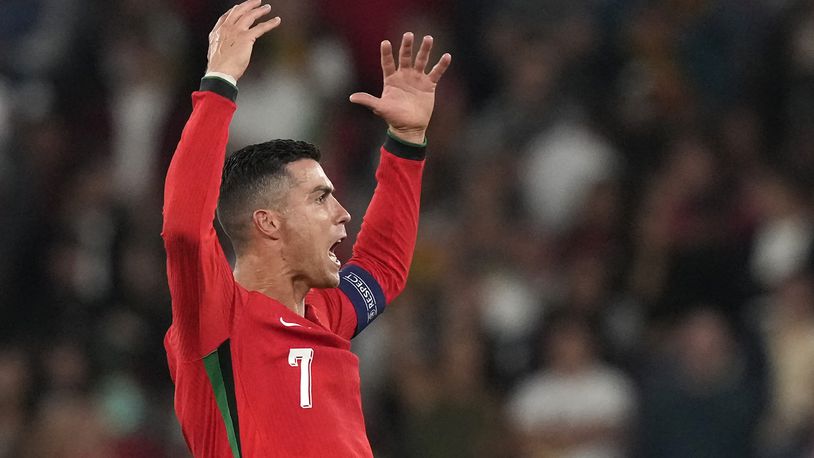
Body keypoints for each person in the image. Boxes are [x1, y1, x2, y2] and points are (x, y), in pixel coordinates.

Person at [161, 1, 451, 456]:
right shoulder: (217, 316)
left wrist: (407, 142)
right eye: (320, 198)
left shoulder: (324, 314)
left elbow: (382, 268)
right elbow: (183, 228)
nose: (342, 214)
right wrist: (219, 83)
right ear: (269, 222)